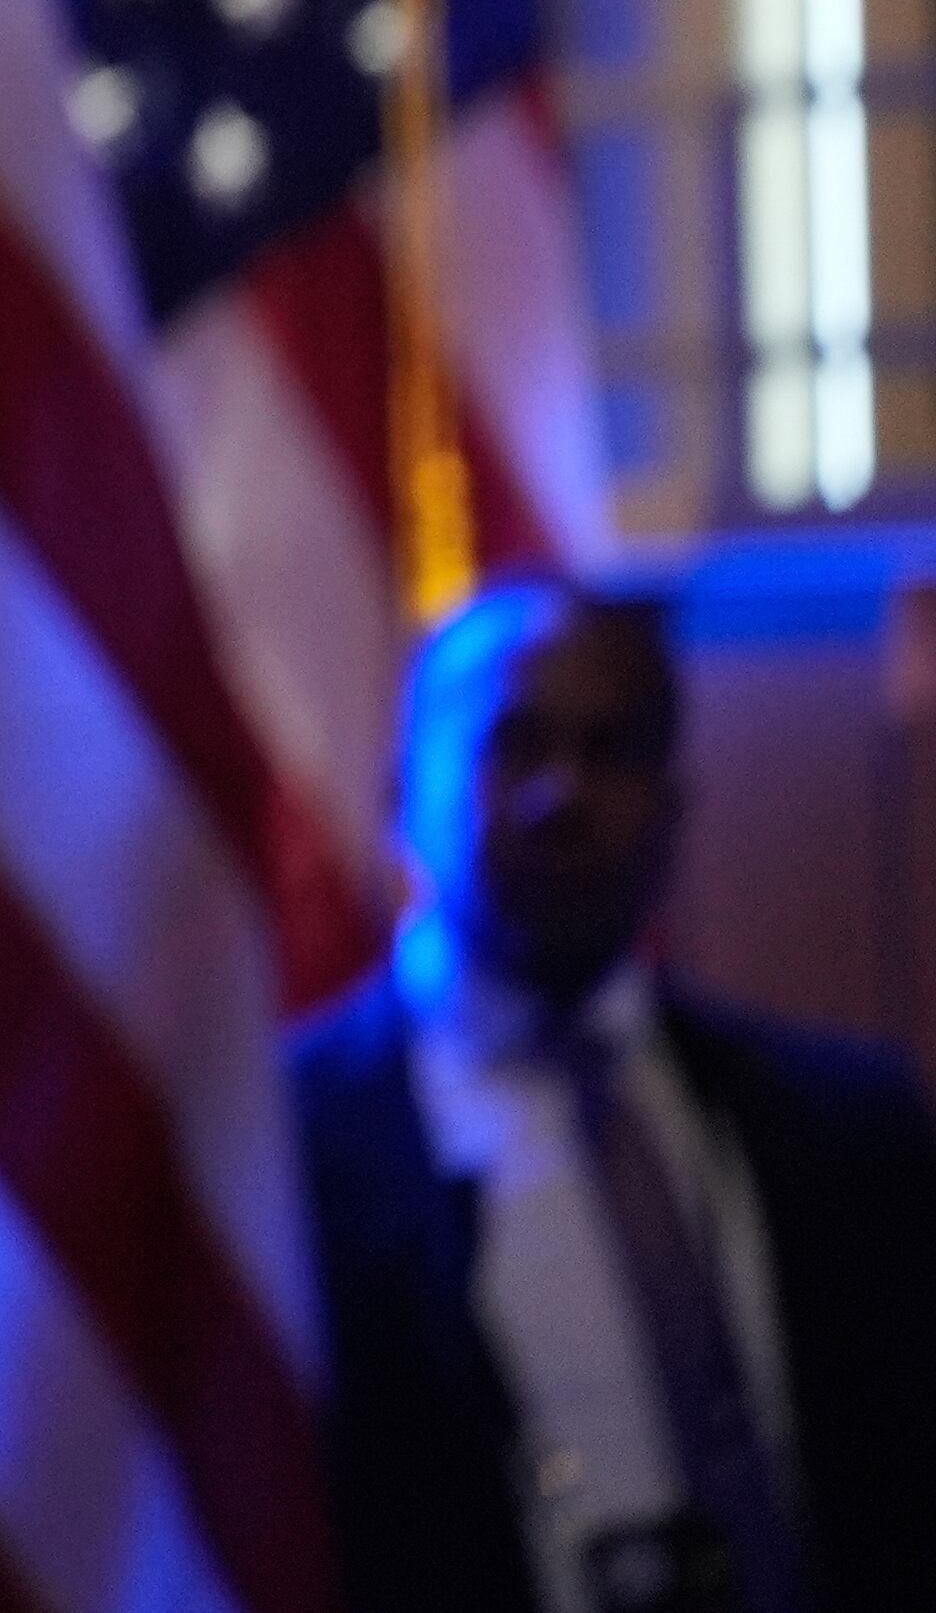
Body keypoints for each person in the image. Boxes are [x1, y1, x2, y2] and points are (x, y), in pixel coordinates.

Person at [288, 583, 936, 1613]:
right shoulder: (279, 1153)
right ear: (398, 795)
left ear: (673, 809)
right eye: (515, 744)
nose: (563, 794)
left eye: (613, 750)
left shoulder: (848, 1131)